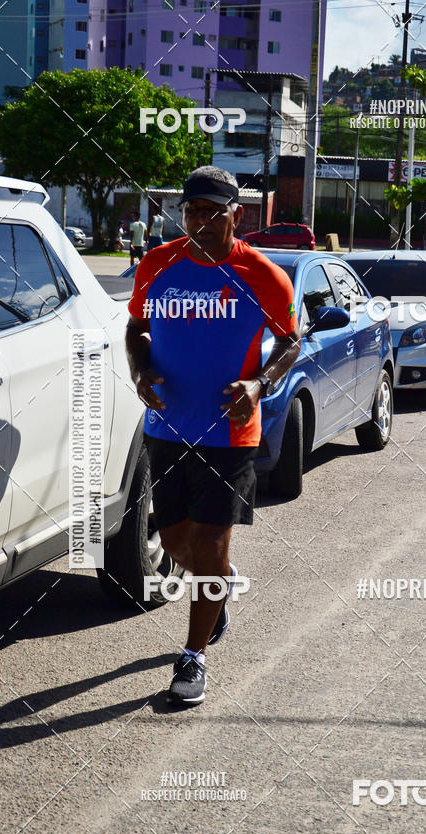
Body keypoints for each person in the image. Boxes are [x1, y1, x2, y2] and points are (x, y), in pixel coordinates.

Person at [125, 166, 301, 706]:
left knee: (208, 543)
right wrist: (140, 369)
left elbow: (290, 343)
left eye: (211, 211)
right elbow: (136, 328)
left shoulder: (263, 275)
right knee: (177, 544)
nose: (200, 221)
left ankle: (193, 658)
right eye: (192, 211)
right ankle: (218, 583)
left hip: (230, 433)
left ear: (235, 215)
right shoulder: (158, 264)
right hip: (167, 426)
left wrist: (258, 382)